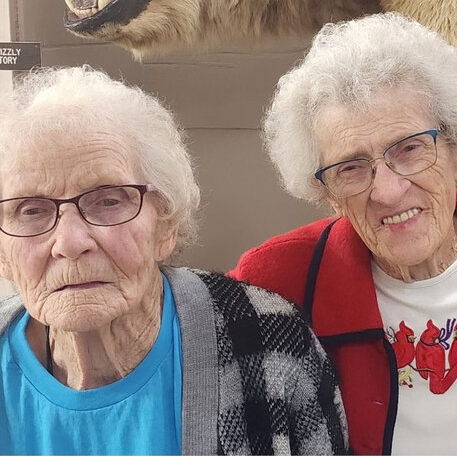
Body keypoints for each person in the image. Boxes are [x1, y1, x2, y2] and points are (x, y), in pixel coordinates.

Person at [232, 13, 457, 456]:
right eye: (351, 168)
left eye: (409, 149)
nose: (387, 190)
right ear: (327, 193)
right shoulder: (278, 279)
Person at [0, 66, 348, 456]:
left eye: (109, 200)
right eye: (30, 210)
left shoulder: (268, 341)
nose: (69, 242)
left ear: (167, 225)